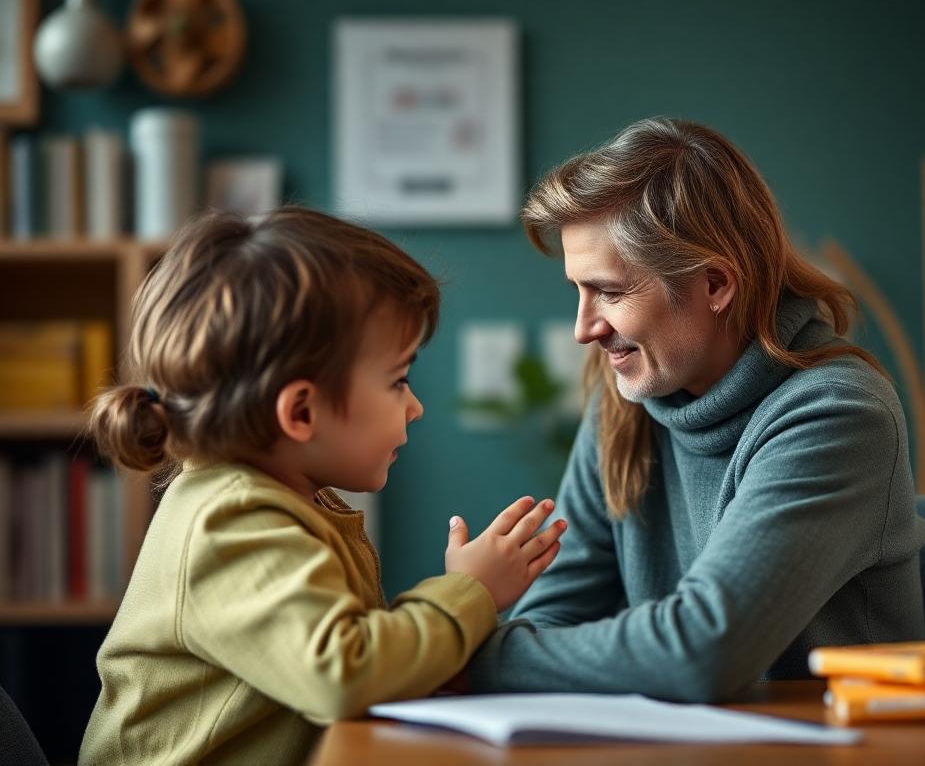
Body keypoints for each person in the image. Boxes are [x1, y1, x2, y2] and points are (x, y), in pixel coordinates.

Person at [465, 118, 925, 702]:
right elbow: (558, 614)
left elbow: (701, 652)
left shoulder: (837, 413)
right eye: (577, 291)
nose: (584, 329)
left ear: (715, 283)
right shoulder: (626, 397)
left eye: (609, 292)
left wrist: (458, 650)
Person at [78, 207, 566, 765]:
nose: (415, 407)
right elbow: (345, 674)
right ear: (302, 411)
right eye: (398, 381)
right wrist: (470, 590)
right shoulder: (230, 522)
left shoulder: (286, 502)